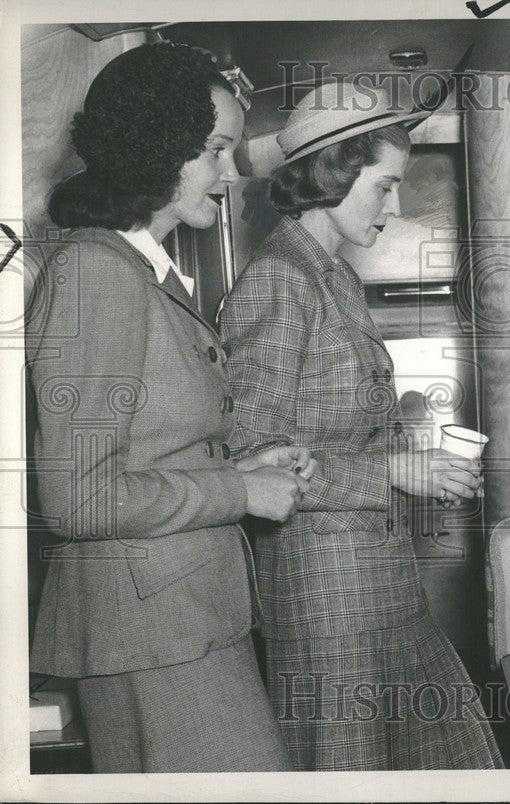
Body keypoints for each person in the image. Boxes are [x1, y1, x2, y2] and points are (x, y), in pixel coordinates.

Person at [28, 42, 316, 772]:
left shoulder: (142, 270)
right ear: (158, 146)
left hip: (177, 618)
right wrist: (238, 489)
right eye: (216, 149)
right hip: (149, 629)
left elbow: (144, 452)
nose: (232, 171)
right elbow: (78, 498)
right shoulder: (97, 274)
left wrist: (242, 466)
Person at [219, 82, 504, 771]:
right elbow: (253, 457)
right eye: (384, 186)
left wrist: (421, 462)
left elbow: (343, 424)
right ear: (333, 173)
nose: (396, 206)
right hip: (325, 602)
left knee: (459, 763)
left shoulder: (332, 276)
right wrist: (394, 470)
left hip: (381, 587)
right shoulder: (276, 281)